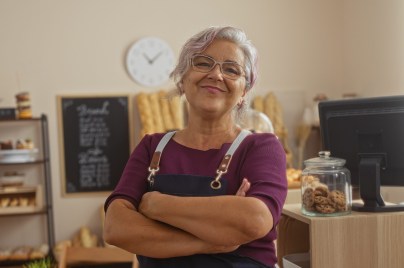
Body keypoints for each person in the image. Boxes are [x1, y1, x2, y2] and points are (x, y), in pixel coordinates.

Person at [103, 26, 287, 268]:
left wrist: (156, 205)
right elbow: (116, 228)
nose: (216, 75)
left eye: (231, 69)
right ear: (183, 79)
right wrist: (212, 242)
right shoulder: (152, 147)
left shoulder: (261, 147)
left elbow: (255, 219)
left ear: (244, 91)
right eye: (203, 63)